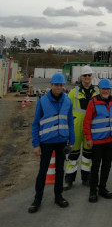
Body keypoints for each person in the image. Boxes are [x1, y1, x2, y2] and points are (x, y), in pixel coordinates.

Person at [28, 73, 75, 213]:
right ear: (51, 85)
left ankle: (58, 196)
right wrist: (36, 144)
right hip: (46, 142)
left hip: (62, 141)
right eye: (56, 85)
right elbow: (35, 124)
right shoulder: (43, 101)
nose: (58, 87)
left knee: (60, 170)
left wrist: (71, 141)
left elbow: (70, 122)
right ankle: (37, 199)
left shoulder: (67, 101)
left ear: (63, 86)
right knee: (43, 171)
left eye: (61, 85)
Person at [83, 78, 112, 203]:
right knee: (95, 167)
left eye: (108, 89)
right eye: (103, 89)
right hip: (98, 141)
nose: (105, 91)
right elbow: (86, 122)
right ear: (99, 89)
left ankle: (102, 188)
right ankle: (93, 191)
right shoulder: (93, 102)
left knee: (107, 165)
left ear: (110, 89)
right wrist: (89, 138)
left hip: (111, 140)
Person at [64, 65, 97, 190]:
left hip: (90, 128)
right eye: (85, 75)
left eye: (89, 75)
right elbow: (66, 110)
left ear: (92, 77)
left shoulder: (97, 92)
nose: (87, 77)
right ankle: (69, 179)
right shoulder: (73, 92)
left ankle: (86, 178)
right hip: (76, 128)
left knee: (88, 155)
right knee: (73, 154)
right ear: (81, 77)